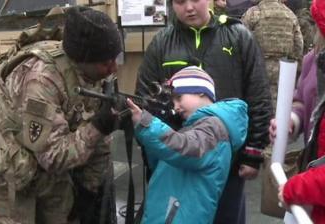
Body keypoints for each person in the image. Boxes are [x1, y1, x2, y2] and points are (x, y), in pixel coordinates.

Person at [0, 6, 122, 224]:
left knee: (63, 212)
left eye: (115, 59)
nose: (114, 68)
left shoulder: (93, 73)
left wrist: (90, 190)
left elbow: (98, 142)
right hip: (5, 166)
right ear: (84, 59)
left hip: (41, 158)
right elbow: (55, 156)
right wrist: (98, 126)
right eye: (107, 63)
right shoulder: (41, 81)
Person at [135, 0, 272, 223]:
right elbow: (145, 100)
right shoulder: (161, 43)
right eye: (180, 2)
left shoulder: (238, 36)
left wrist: (253, 152)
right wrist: (154, 156)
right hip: (176, 165)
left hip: (228, 164)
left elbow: (258, 95)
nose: (189, 7)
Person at [128, 66, 248, 223]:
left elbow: (186, 148)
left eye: (179, 98)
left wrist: (147, 124)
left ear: (200, 91)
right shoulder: (194, 127)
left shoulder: (215, 127)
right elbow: (160, 162)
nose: (176, 107)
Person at [274, 0, 325, 223]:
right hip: (310, 173)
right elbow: (302, 100)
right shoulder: (314, 59)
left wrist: (296, 188)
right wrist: (291, 120)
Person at [242, 0, 304, 106]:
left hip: (258, 67)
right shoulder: (290, 14)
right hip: (283, 68)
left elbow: (241, 40)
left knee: (260, 103)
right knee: (281, 104)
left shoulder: (253, 13)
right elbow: (299, 45)